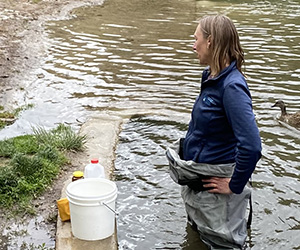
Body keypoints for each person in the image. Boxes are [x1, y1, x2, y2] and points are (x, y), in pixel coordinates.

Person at [166, 15, 261, 249]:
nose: (193, 44)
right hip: (201, 180)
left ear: (210, 42)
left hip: (218, 187)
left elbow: (252, 146)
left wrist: (234, 185)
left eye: (196, 38)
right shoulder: (210, 76)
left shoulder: (232, 87)